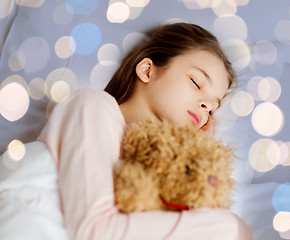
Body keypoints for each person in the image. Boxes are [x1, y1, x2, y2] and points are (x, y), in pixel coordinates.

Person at [37, 22, 253, 240]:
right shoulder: (93, 105)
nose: (206, 107)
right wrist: (227, 228)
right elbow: (94, 232)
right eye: (196, 83)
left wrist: (192, 157)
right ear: (147, 70)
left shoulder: (154, 165)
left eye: (213, 108)